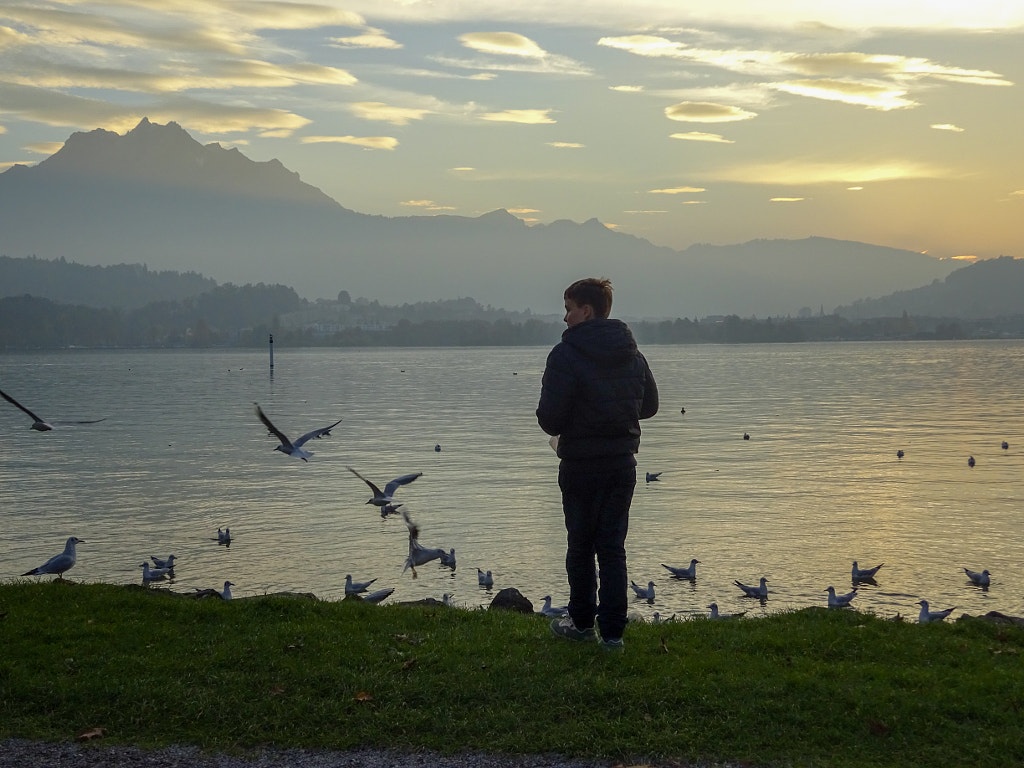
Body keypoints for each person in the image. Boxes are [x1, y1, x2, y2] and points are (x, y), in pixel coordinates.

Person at [536, 277, 658, 649]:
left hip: (580, 465)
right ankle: (614, 635)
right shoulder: (632, 353)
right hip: (622, 465)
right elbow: (649, 406)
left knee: (580, 545)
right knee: (612, 547)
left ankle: (582, 623)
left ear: (586, 311)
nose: (566, 319)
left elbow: (550, 419)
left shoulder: (566, 355)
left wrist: (566, 431)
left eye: (569, 310)